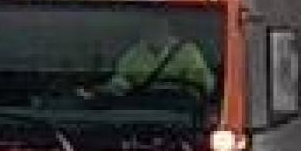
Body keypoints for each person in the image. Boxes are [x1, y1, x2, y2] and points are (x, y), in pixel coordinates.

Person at [81, 22, 216, 102]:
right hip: (146, 111)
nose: (155, 33)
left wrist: (183, 90)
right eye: (151, 30)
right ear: (144, 33)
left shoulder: (188, 52)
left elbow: (205, 85)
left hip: (180, 112)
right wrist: (102, 91)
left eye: (159, 29)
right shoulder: (134, 54)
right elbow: (121, 80)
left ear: (168, 30)